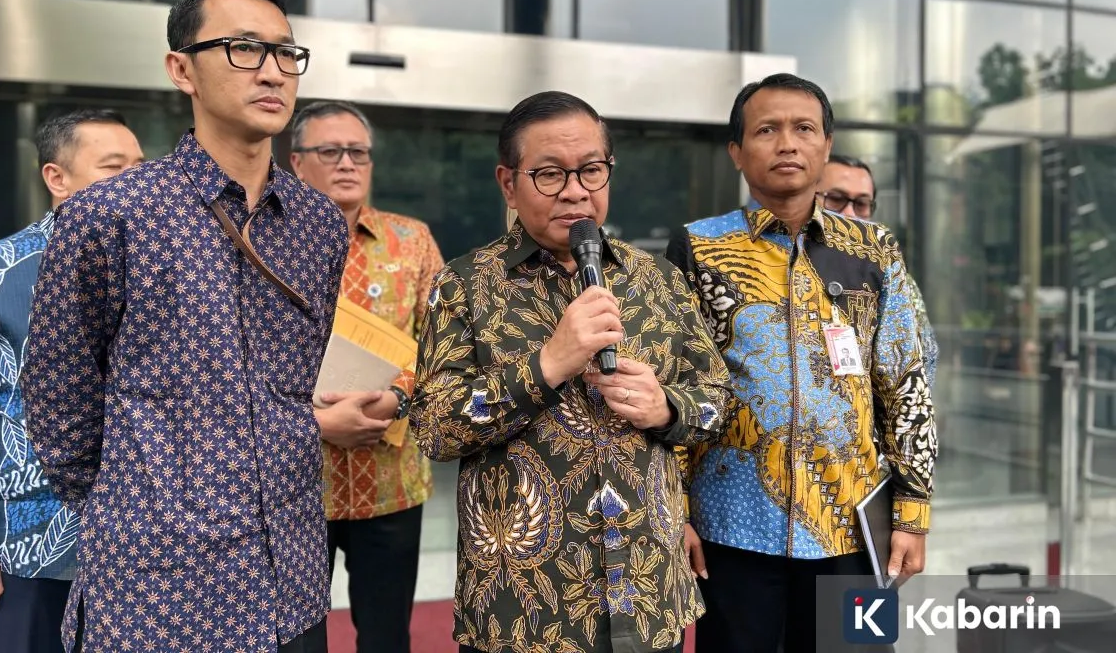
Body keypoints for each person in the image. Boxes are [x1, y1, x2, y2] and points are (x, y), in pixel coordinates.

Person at [20, 0, 349, 653]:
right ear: (181, 70)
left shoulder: (319, 224)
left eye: (286, 52)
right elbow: (58, 403)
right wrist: (143, 506)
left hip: (292, 582)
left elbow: (296, 387)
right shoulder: (110, 216)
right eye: (243, 48)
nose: (272, 71)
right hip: (158, 593)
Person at [411, 90, 733, 653]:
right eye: (549, 174)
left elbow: (718, 400)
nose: (575, 190)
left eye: (590, 170)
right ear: (508, 184)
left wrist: (667, 408)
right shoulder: (463, 285)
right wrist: (547, 365)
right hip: (522, 611)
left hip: (647, 594)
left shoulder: (657, 279)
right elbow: (434, 429)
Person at [666, 73, 937, 653]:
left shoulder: (874, 248)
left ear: (826, 145)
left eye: (804, 128)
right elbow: (678, 387)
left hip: (851, 524)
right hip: (731, 529)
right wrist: (676, 512)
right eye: (767, 130)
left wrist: (912, 512)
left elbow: (905, 384)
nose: (787, 143)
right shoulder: (697, 247)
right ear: (737, 151)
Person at [0, 109, 143, 653]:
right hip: (32, 551)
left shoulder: (173, 272)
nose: (136, 184)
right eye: (114, 168)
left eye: (142, 169)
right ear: (56, 178)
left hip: (154, 549)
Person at [290, 100, 444, 653]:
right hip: (294, 483)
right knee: (294, 638)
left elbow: (444, 342)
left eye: (358, 152)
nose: (347, 163)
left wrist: (399, 396)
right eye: (330, 151)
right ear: (296, 162)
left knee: (386, 637)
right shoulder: (263, 243)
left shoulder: (412, 240)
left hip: (390, 481)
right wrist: (314, 419)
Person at [815, 153, 938, 385]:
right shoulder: (784, 263)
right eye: (836, 199)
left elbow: (921, 363)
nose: (849, 213)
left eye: (861, 204)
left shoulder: (892, 277)